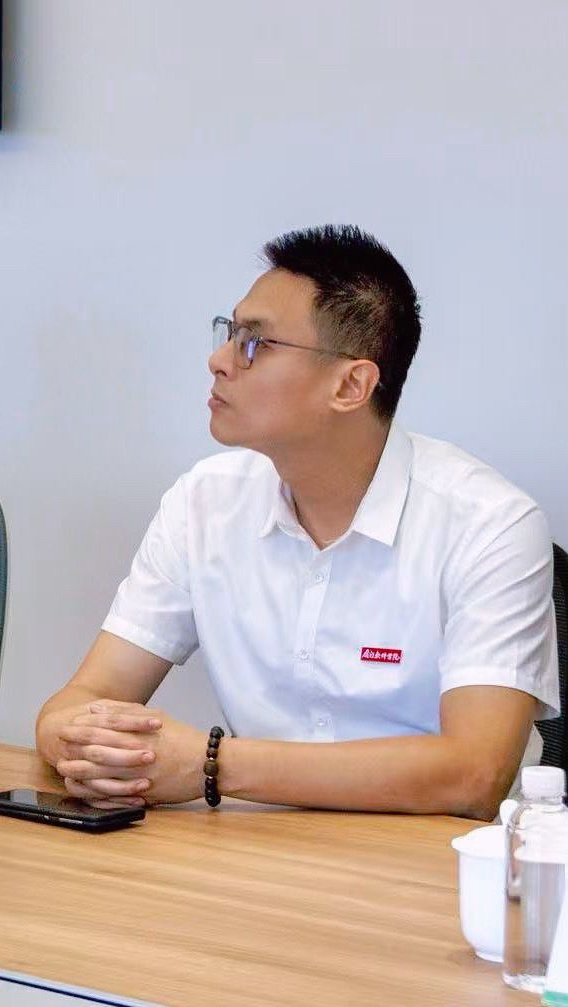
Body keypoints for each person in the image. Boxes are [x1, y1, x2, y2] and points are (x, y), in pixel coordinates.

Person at [36, 225, 556, 819]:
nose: (218, 361)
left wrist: (212, 765)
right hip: (258, 848)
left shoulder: (491, 524)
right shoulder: (203, 503)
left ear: (351, 385)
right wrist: (78, 742)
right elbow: (84, 698)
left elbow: (475, 774)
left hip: (433, 859)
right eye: (229, 333)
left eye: (255, 343)